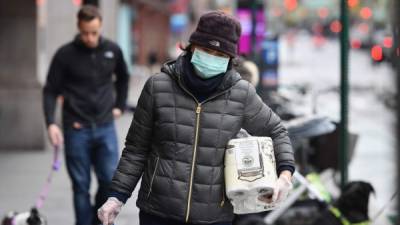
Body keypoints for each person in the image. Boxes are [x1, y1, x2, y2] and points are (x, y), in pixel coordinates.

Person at [98, 11, 295, 225]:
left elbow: (277, 131)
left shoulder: (241, 94)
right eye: (206, 50)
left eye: (220, 55)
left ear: (231, 59)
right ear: (192, 47)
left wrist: (285, 175)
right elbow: (136, 149)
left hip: (213, 216)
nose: (212, 58)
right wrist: (116, 196)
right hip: (158, 211)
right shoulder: (158, 87)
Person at [42, 5, 129, 225]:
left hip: (105, 126)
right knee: (80, 187)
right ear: (78, 28)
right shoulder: (65, 54)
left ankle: (97, 221)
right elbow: (51, 89)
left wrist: (119, 105)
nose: (89, 38)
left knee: (109, 181)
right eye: (85, 33)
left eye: (94, 32)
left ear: (100, 28)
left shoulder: (113, 50)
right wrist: (51, 123)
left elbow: (124, 77)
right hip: (76, 129)